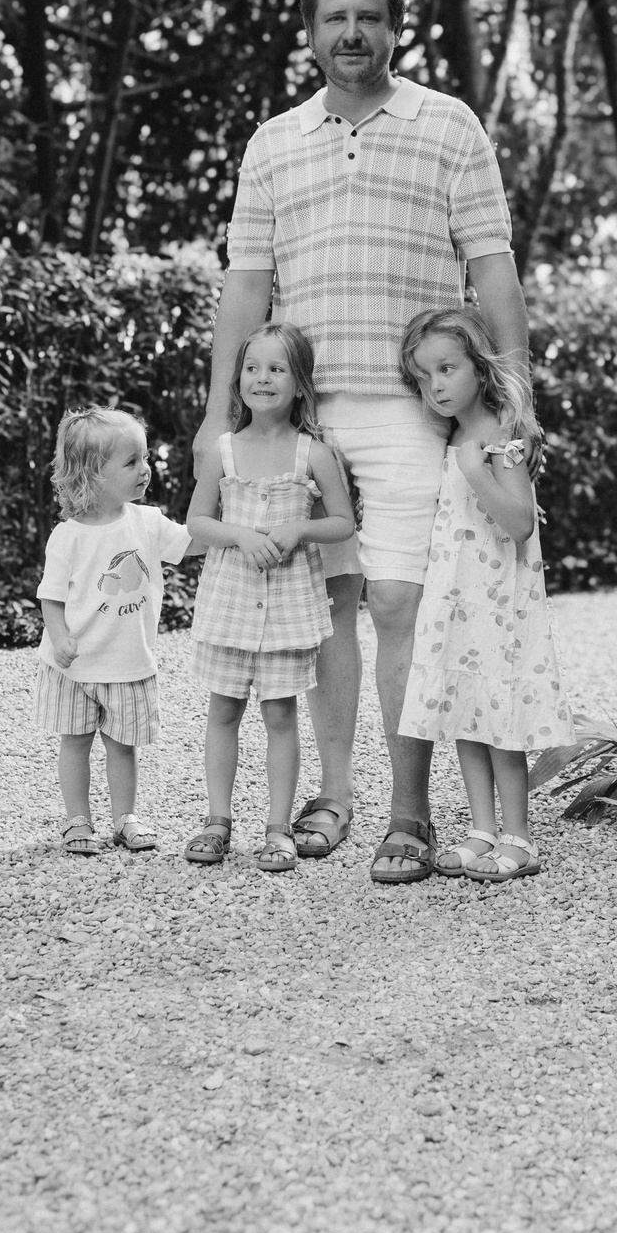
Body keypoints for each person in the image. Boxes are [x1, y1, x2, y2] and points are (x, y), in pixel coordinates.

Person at [201, 0, 529, 884]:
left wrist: (517, 394)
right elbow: (246, 285)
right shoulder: (273, 141)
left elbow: (494, 267)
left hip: (408, 412)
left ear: (396, 25)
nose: (353, 33)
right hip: (300, 418)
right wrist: (216, 413)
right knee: (323, 612)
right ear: (310, 31)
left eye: (370, 17)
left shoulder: (448, 125)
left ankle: (410, 811)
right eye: (335, 17)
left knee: (400, 605)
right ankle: (335, 795)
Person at [393, 306, 569, 881]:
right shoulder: (453, 434)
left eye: (446, 369)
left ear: (480, 366)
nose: (435, 385)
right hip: (456, 596)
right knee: (467, 709)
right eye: (423, 376)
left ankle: (518, 837)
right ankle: (481, 830)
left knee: (500, 712)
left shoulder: (499, 436)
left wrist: (477, 472)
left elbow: (519, 523)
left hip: (497, 597)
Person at [180, 323, 357, 872]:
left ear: (299, 382)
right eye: (253, 368)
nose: (262, 378)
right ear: (238, 381)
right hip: (230, 601)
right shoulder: (224, 451)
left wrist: (297, 531)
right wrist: (241, 535)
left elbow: (343, 523)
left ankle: (278, 827)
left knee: (280, 715)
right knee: (224, 710)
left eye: (277, 369)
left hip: (286, 606)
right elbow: (197, 521)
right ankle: (217, 820)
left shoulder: (314, 454)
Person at [38, 408, 200, 857]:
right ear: (92, 474)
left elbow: (193, 543)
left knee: (123, 746)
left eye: (144, 458)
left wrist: (235, 526)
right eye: (131, 462)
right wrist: (60, 637)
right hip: (74, 666)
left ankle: (125, 818)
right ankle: (77, 822)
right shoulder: (67, 536)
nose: (145, 469)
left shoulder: (147, 522)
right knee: (74, 744)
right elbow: (50, 596)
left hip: (128, 662)